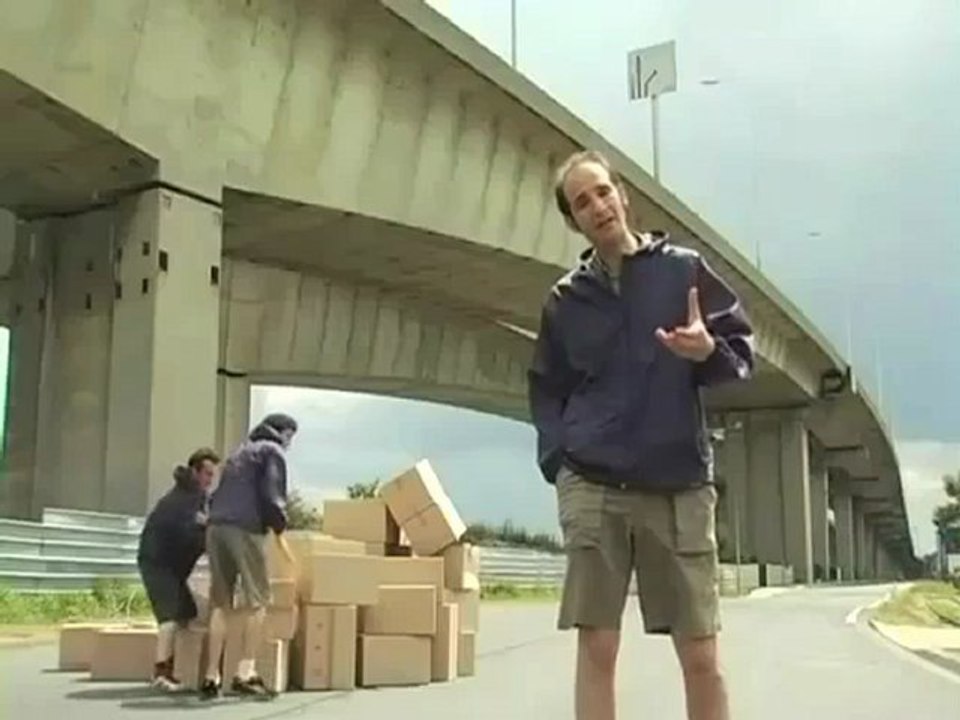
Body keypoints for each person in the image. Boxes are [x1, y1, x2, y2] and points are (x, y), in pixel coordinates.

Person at [528, 150, 754, 720]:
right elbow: (546, 388)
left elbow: (739, 353)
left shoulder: (682, 270)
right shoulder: (566, 300)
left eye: (603, 191)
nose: (597, 206)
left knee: (701, 652)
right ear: (573, 221)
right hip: (594, 486)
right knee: (597, 647)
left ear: (623, 196)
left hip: (677, 486)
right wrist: (560, 462)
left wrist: (707, 352)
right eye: (582, 202)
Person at [199, 413, 297, 700]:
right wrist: (279, 526)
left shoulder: (238, 452)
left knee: (220, 601)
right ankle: (246, 672)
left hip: (216, 528)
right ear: (284, 432)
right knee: (258, 600)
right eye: (291, 435)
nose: (291, 441)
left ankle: (211, 677)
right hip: (245, 528)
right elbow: (272, 494)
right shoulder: (272, 451)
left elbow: (216, 495)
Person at [137, 447, 220, 691]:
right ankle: (162, 672)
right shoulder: (186, 496)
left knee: (186, 612)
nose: (209, 480)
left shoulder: (195, 495)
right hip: (158, 564)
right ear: (194, 471)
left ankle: (182, 667)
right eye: (206, 473)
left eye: (213, 475)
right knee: (169, 617)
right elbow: (189, 530)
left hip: (173, 569)